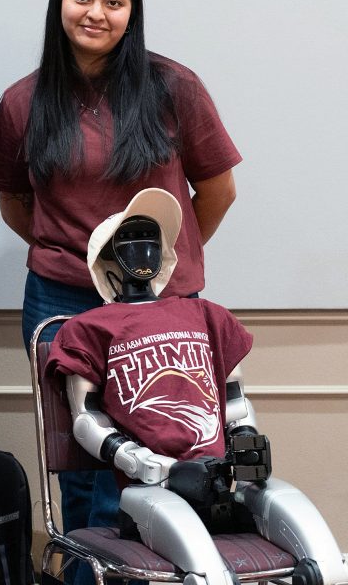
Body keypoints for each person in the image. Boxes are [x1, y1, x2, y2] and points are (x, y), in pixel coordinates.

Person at [0, 0, 242, 583]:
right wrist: (75, 254)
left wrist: (158, 269)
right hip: (61, 302)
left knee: (158, 456)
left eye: (113, 1)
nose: (95, 12)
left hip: (160, 309)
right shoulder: (24, 100)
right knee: (81, 465)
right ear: (59, 4)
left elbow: (217, 191)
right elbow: (17, 201)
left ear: (133, 12)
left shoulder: (173, 87)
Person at [47, 188, 348, 585]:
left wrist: (244, 439)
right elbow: (86, 417)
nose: (142, 248)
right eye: (129, 239)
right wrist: (134, 458)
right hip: (155, 485)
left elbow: (234, 399)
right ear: (106, 258)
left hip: (225, 477)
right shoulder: (87, 330)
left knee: (328, 562)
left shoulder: (208, 315)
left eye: (149, 237)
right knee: (209, 577)